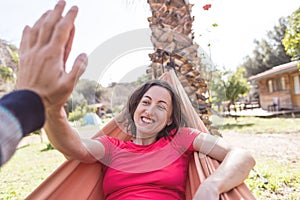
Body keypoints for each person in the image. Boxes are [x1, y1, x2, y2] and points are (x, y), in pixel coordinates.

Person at [44, 78, 256, 199]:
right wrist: (52, 111)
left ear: (170, 119)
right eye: (145, 102)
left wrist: (212, 186)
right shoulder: (111, 147)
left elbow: (242, 156)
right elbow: (72, 147)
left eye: (161, 106)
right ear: (135, 108)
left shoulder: (180, 140)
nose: (150, 110)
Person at [0, 0, 87, 167]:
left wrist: (30, 98)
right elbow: (79, 149)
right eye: (146, 102)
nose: (149, 110)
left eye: (155, 106)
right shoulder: (118, 145)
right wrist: (48, 106)